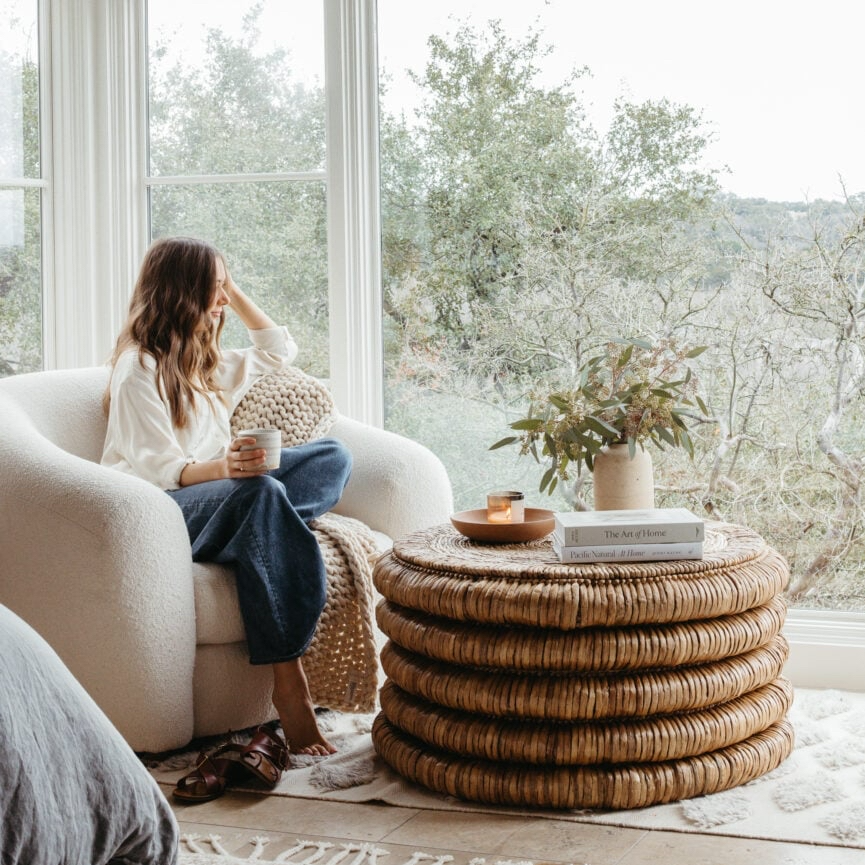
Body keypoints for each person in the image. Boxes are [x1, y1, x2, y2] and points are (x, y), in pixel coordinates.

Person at [101, 235, 352, 760]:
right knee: (259, 491)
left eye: (224, 287)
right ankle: (291, 688)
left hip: (225, 498)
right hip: (163, 510)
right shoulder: (138, 369)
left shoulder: (207, 363)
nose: (222, 300)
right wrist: (227, 469)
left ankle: (263, 527)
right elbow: (160, 469)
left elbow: (280, 351)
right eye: (214, 289)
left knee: (332, 457)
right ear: (182, 293)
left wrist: (233, 290)